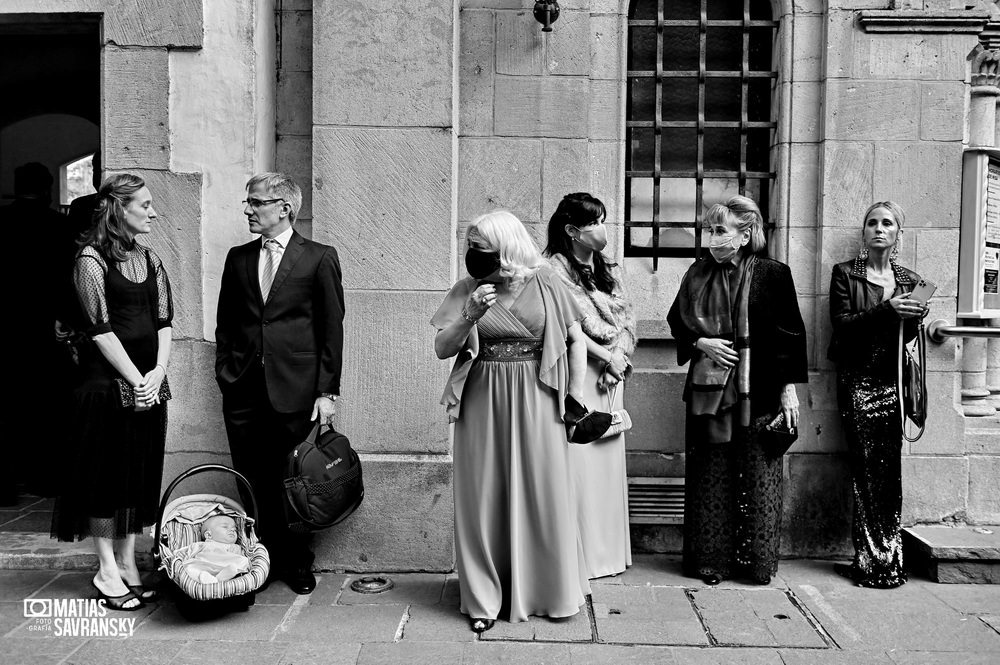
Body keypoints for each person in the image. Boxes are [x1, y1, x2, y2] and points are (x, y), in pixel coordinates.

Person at [432, 210, 590, 632]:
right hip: (483, 398)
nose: (472, 255)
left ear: (506, 246)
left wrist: (573, 398)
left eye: (480, 248)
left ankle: (545, 591)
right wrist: (468, 314)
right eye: (470, 247)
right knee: (483, 497)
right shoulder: (468, 288)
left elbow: (576, 342)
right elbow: (442, 348)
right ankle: (484, 599)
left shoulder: (547, 281)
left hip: (538, 398)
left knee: (544, 492)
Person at [215, 172, 345, 595]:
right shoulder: (237, 258)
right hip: (243, 390)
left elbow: (331, 329)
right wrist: (226, 373)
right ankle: (261, 559)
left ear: (284, 208)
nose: (248, 209)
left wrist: (327, 392)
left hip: (297, 391)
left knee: (294, 480)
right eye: (248, 201)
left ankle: (296, 561)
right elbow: (227, 324)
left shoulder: (319, 257)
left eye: (256, 202)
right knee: (250, 477)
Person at [667, 195, 807, 586]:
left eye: (720, 230)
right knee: (709, 477)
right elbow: (676, 322)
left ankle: (755, 564)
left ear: (745, 235)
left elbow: (790, 336)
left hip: (758, 391)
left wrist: (788, 391)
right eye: (710, 230)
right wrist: (701, 343)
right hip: (707, 394)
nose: (712, 237)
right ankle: (709, 562)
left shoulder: (773, 273)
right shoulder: (696, 273)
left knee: (759, 478)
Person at [51, 174, 173, 611]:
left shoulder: (150, 258)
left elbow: (164, 322)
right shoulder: (90, 259)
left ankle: (127, 563)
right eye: (144, 205)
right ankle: (105, 569)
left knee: (135, 475)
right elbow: (100, 331)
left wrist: (158, 372)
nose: (153, 212)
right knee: (103, 478)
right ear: (118, 208)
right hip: (104, 387)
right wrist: (136, 380)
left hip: (147, 384)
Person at [828, 200, 925, 589]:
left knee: (890, 471)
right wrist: (888, 310)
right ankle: (869, 561)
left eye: (887, 223)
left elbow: (909, 340)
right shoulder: (845, 273)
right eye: (872, 223)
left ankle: (890, 560)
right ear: (864, 232)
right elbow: (843, 324)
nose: (879, 229)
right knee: (866, 468)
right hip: (857, 380)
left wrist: (916, 318)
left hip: (893, 381)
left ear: (899, 233)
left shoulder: (910, 279)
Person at [544, 192, 636, 579]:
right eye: (595, 222)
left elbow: (629, 319)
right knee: (580, 462)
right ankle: (584, 557)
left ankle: (609, 554)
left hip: (612, 376)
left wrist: (621, 358)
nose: (603, 229)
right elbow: (568, 329)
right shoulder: (552, 271)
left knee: (607, 466)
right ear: (572, 231)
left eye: (603, 220)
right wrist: (606, 357)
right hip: (581, 374)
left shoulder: (607, 268)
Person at [0, 163, 76, 503]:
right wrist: (66, 319)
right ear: (48, 190)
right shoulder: (59, 227)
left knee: (6, 404)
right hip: (45, 330)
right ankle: (43, 478)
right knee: (46, 405)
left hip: (5, 330)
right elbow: (67, 281)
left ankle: (4, 485)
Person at [179, 515, 251, 584]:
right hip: (203, 567)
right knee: (188, 568)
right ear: (209, 535)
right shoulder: (202, 544)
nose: (232, 530)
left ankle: (219, 578)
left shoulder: (235, 547)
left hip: (225, 568)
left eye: (234, 529)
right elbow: (186, 552)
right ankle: (209, 579)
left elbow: (240, 558)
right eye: (225, 527)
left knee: (244, 561)